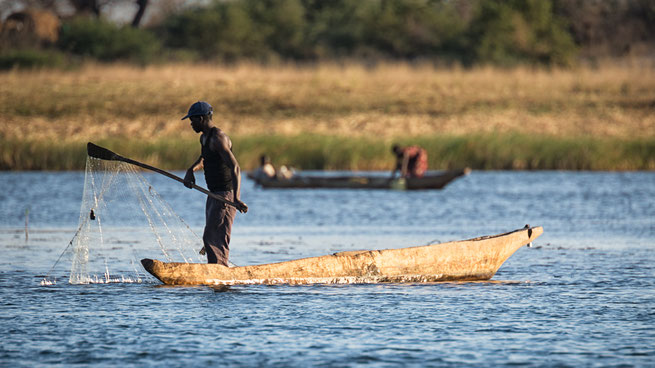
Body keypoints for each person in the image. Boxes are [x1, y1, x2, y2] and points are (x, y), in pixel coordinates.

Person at [181, 101, 248, 266]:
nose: (191, 124)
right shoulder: (204, 138)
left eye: (193, 120)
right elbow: (205, 159)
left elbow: (236, 167)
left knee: (215, 235)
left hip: (225, 195)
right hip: (213, 194)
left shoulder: (218, 138)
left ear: (202, 118)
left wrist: (236, 198)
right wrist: (191, 170)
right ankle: (215, 269)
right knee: (210, 235)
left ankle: (220, 271)